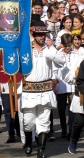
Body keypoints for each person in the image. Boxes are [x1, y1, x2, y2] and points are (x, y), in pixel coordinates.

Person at [21, 20, 65, 157]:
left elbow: (61, 62)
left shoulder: (49, 50)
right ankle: (28, 142)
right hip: (29, 90)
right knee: (28, 121)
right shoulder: (26, 48)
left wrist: (51, 50)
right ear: (33, 34)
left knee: (44, 122)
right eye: (39, 34)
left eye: (44, 34)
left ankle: (42, 150)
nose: (42, 37)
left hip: (45, 90)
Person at [68, 37, 84, 154]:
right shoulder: (78, 61)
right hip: (81, 96)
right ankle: (73, 140)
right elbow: (67, 77)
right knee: (79, 122)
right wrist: (75, 75)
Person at [55, 33, 79, 139]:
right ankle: (63, 129)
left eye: (69, 45)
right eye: (66, 46)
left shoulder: (76, 54)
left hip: (72, 83)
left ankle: (70, 130)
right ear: (62, 45)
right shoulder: (57, 55)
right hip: (61, 84)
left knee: (72, 108)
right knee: (61, 108)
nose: (68, 48)